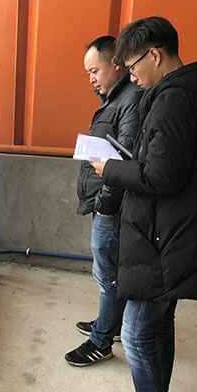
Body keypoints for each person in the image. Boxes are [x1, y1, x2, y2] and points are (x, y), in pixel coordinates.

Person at [91, 17, 197, 392]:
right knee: (158, 326)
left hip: (166, 239)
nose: (130, 74)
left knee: (137, 333)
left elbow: (161, 175)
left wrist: (110, 168)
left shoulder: (174, 99)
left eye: (132, 64)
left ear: (154, 55)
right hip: (175, 232)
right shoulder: (195, 93)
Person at [65, 35, 141, 367]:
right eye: (88, 73)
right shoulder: (116, 98)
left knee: (107, 274)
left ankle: (101, 341)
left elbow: (123, 161)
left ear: (117, 64)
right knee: (108, 272)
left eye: (95, 71)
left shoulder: (130, 100)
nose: (91, 79)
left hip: (112, 206)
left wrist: (105, 205)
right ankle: (109, 324)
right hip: (106, 201)